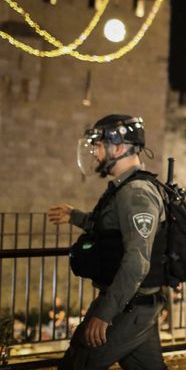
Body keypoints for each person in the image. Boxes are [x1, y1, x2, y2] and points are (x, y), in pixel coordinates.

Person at [48, 114, 167, 369]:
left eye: (99, 145)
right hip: (134, 305)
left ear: (119, 147)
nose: (95, 153)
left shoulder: (136, 193)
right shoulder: (124, 189)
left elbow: (137, 261)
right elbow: (109, 229)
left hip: (127, 307)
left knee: (77, 364)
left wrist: (104, 314)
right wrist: (74, 216)